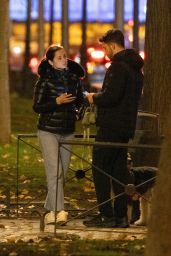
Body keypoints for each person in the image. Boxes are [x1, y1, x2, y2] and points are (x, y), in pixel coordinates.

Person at [83, 29, 144, 228]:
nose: (105, 52)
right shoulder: (135, 68)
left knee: (100, 168)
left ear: (112, 45)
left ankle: (106, 215)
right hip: (126, 127)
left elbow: (111, 96)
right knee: (118, 173)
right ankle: (121, 216)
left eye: (105, 48)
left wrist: (93, 97)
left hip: (110, 126)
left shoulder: (118, 66)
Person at [33, 44, 85, 224]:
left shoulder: (75, 79)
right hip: (48, 131)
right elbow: (37, 107)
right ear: (51, 61)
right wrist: (57, 101)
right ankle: (59, 212)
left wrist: (77, 113)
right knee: (54, 172)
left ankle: (48, 210)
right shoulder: (44, 80)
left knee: (61, 173)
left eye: (65, 56)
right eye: (60, 57)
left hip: (68, 131)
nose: (64, 59)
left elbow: (81, 102)